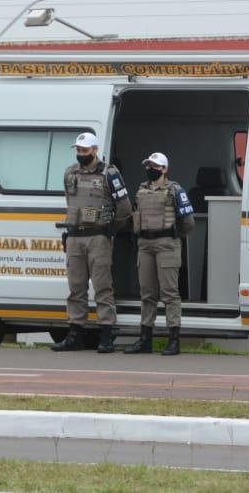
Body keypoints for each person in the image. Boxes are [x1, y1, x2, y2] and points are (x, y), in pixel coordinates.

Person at [51, 132, 132, 354]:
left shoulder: (110, 173)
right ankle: (74, 334)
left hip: (98, 237)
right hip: (75, 236)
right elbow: (70, 201)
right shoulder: (70, 173)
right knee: (75, 287)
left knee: (102, 287)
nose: (81, 154)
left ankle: (106, 335)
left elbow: (125, 207)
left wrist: (111, 228)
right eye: (78, 150)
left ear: (95, 150)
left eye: (85, 150)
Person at [124, 151, 195, 356]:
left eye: (155, 166)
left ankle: (174, 340)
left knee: (170, 293)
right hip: (145, 244)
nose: (151, 169)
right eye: (149, 166)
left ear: (164, 169)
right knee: (147, 293)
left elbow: (188, 223)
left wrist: (173, 237)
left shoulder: (175, 190)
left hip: (167, 244)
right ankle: (145, 339)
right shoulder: (141, 190)